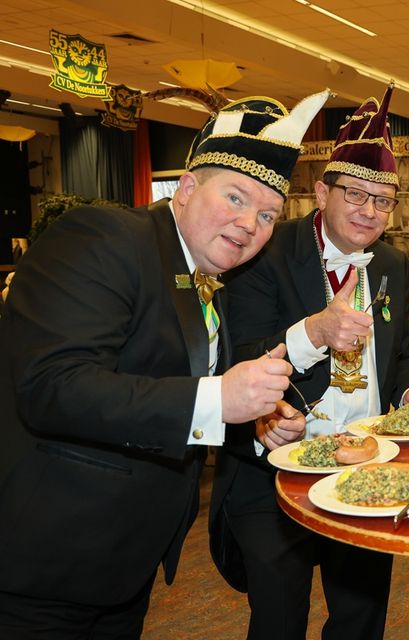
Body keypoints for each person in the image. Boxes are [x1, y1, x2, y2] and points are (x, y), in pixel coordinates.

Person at [0, 90, 332, 638]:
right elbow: (53, 387)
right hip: (40, 564)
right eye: (235, 197)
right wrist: (219, 399)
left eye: (267, 214)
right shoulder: (104, 238)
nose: (249, 223)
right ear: (188, 188)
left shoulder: (212, 283)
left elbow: (175, 398)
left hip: (122, 568)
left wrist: (255, 423)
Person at [209, 84, 409, 640]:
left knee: (361, 618)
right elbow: (238, 356)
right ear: (320, 192)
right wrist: (314, 332)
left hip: (367, 466)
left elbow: (400, 354)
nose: (369, 211)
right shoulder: (264, 250)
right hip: (273, 471)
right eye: (355, 194)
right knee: (279, 621)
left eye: (382, 200)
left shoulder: (392, 262)